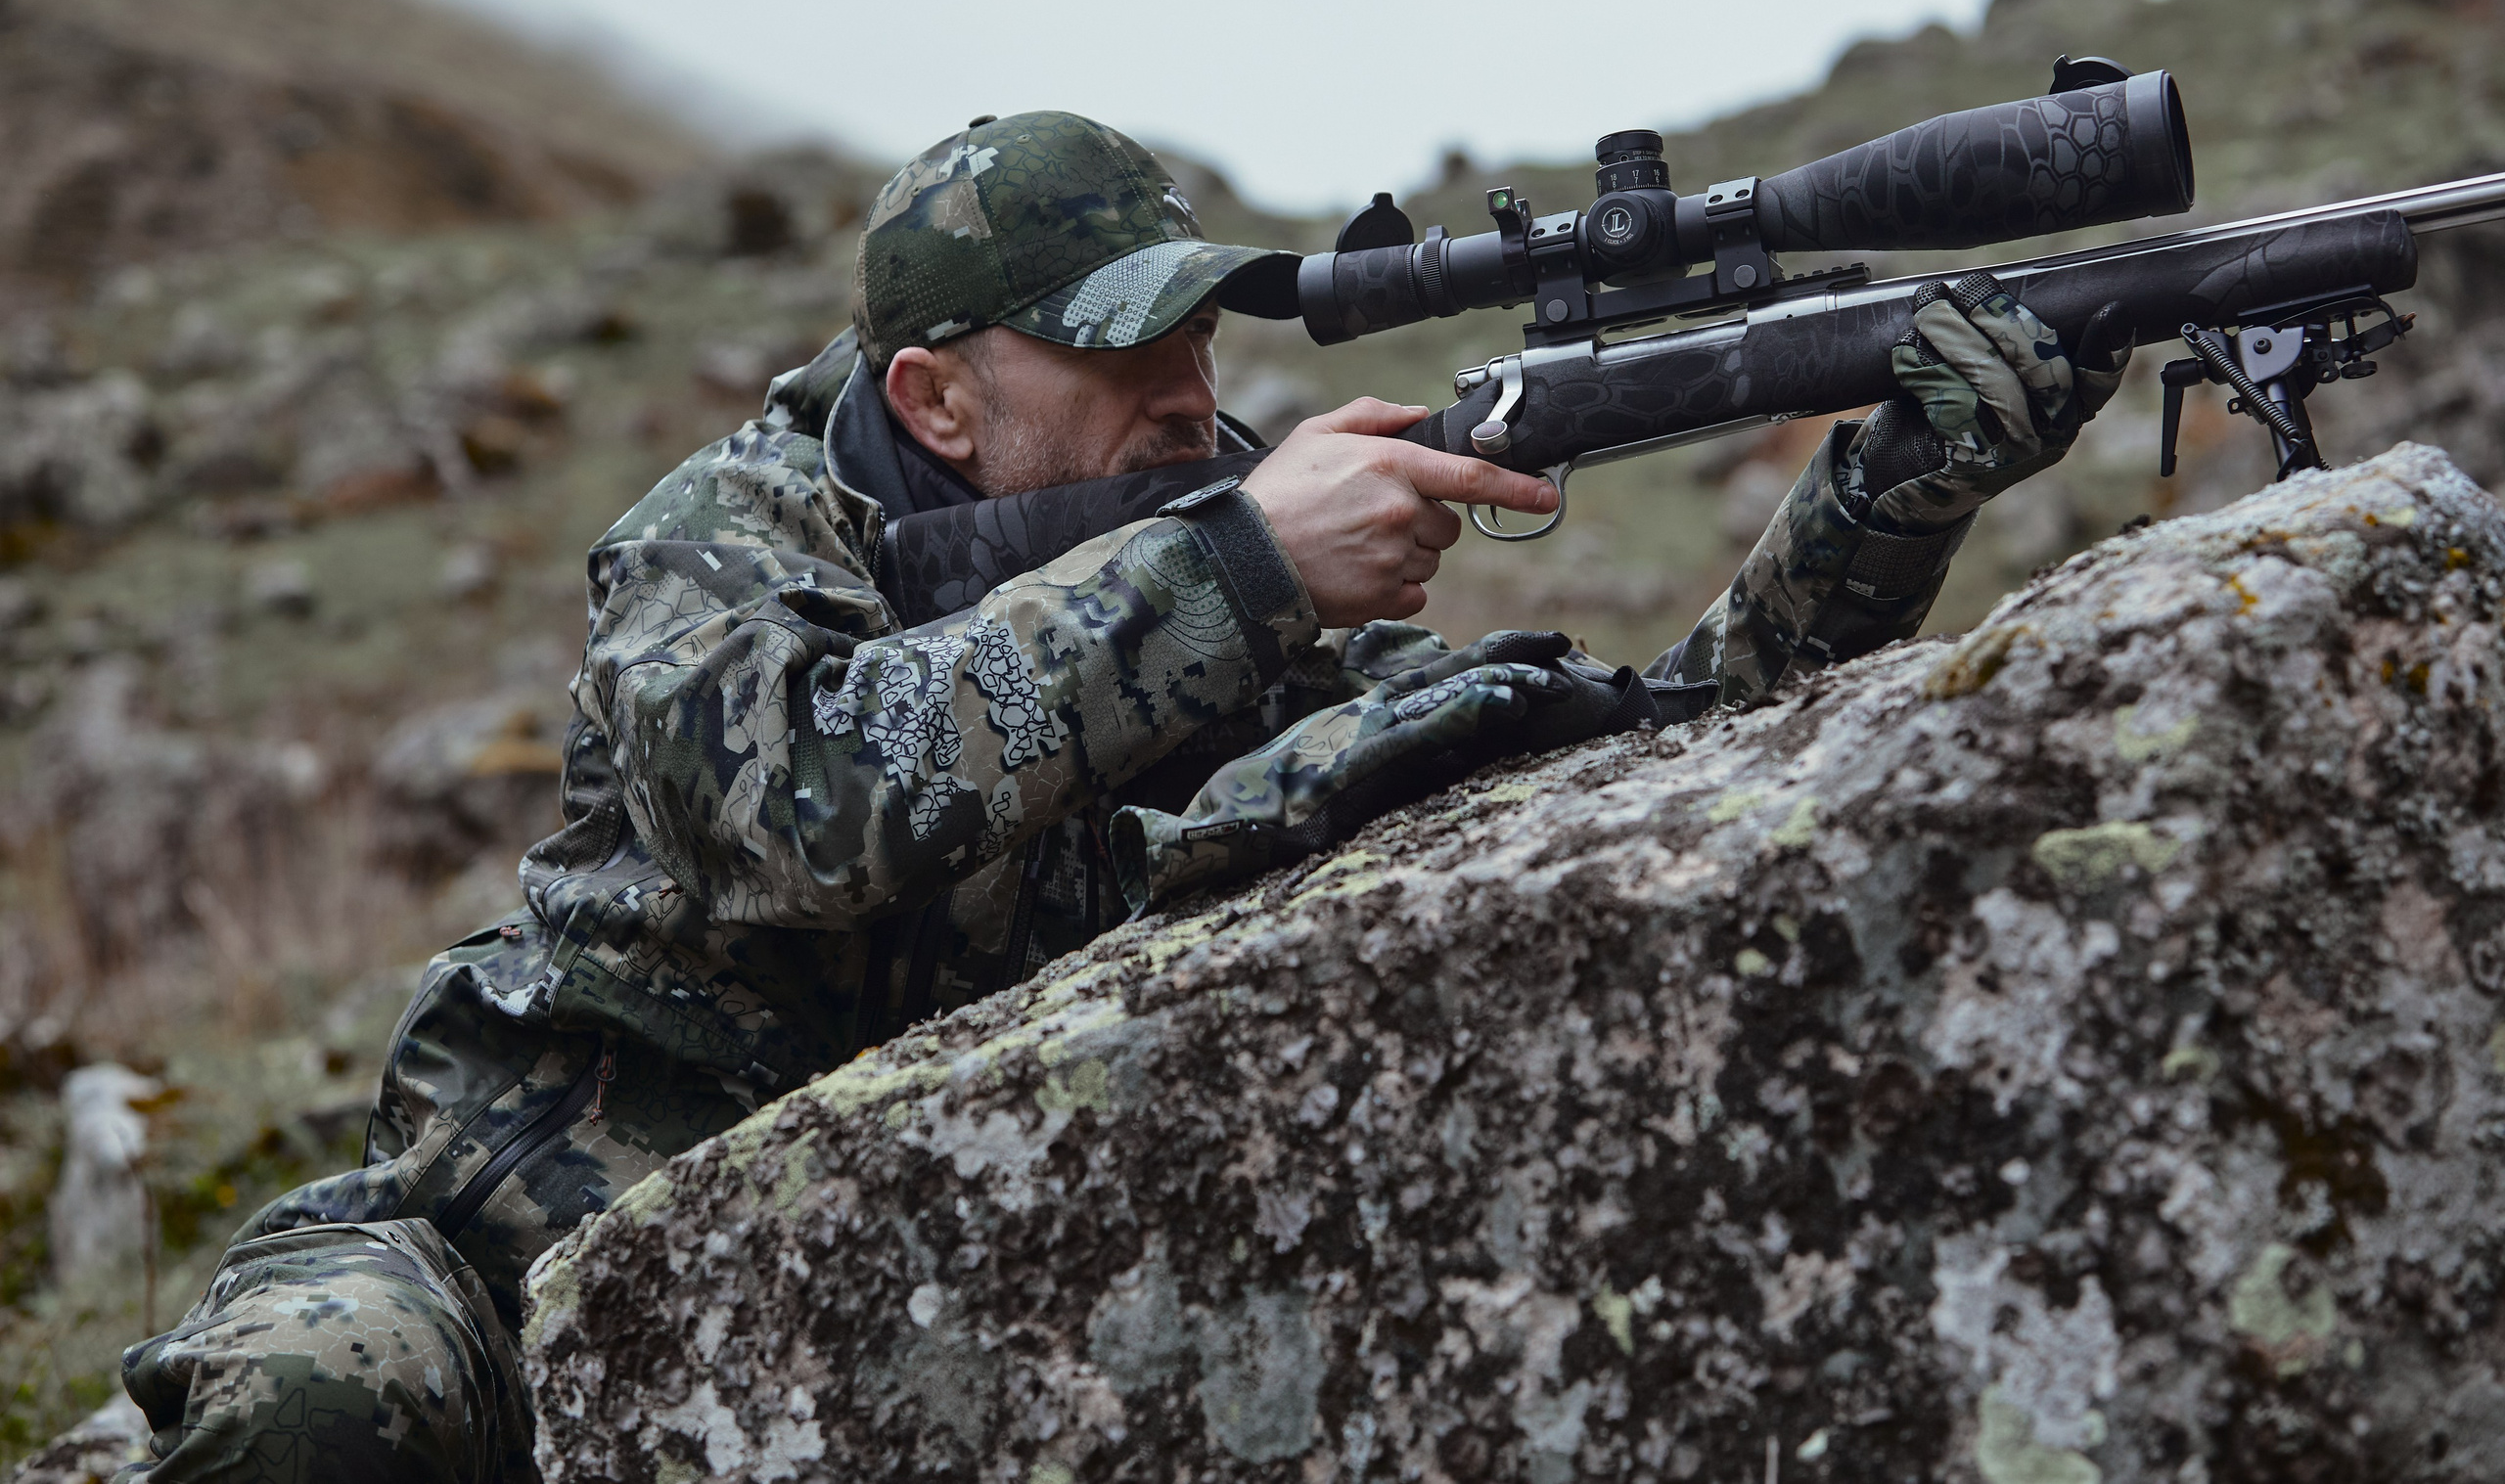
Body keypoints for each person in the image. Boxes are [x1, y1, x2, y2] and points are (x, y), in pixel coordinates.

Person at [112, 112, 2123, 1481]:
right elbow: (804, 799)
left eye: (1193, 327)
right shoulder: (726, 538)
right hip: (500, 1248)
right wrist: (1241, 561)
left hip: (884, 1278)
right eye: (1111, 348)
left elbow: (1622, 765)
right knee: (318, 1407)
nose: (1183, 384)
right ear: (933, 396)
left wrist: (1874, 503)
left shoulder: (1198, 519)